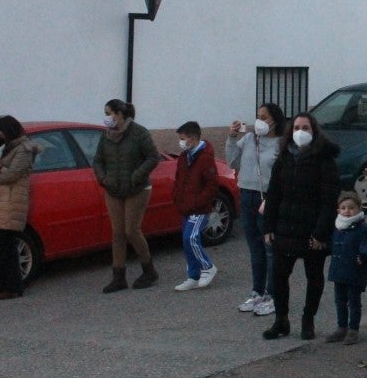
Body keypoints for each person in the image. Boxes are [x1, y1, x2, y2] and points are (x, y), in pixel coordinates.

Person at [261, 112, 340, 341]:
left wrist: (320, 232)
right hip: (285, 227)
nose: (300, 132)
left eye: (305, 128)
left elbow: (329, 199)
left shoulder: (324, 160)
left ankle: (308, 320)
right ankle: (281, 320)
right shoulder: (284, 158)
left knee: (313, 276)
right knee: (278, 276)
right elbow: (273, 194)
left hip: (312, 228)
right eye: (296, 127)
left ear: (314, 131)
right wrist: (268, 227)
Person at [93, 99, 161, 293]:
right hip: (113, 189)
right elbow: (98, 160)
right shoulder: (106, 136)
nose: (106, 118)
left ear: (120, 114)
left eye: (109, 113)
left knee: (132, 230)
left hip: (137, 189)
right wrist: (103, 178)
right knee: (118, 233)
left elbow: (153, 157)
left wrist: (136, 175)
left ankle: (149, 270)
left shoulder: (139, 132)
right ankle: (118, 276)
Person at [227, 103, 286, 315]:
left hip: (268, 197)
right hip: (247, 193)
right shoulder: (250, 139)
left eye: (265, 117)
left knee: (270, 246)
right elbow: (233, 162)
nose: (260, 120)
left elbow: (284, 174)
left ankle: (272, 294)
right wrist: (232, 138)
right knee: (255, 247)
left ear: (275, 120)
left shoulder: (281, 144)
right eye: (258, 116)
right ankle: (257, 291)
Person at [0, 116, 40, 300]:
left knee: (6, 246)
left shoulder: (24, 148)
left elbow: (12, 174)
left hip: (13, 199)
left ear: (8, 130)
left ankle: (12, 286)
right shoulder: (3, 149)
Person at [172, 121, 219, 292]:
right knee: (187, 240)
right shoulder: (185, 156)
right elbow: (179, 180)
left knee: (191, 238)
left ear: (192, 139)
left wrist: (199, 201)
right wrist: (177, 198)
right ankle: (193, 275)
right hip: (186, 206)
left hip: (199, 208)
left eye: (183, 138)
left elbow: (212, 184)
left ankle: (207, 266)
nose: (181, 142)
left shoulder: (205, 157)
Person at [326, 191, 367, 345]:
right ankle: (341, 327)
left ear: (359, 209)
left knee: (353, 302)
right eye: (343, 208)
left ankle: (353, 329)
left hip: (354, 271)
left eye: (351, 208)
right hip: (338, 271)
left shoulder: (363, 229)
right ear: (338, 210)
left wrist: (364, 256)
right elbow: (332, 244)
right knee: (339, 301)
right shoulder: (337, 226)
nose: (347, 211)